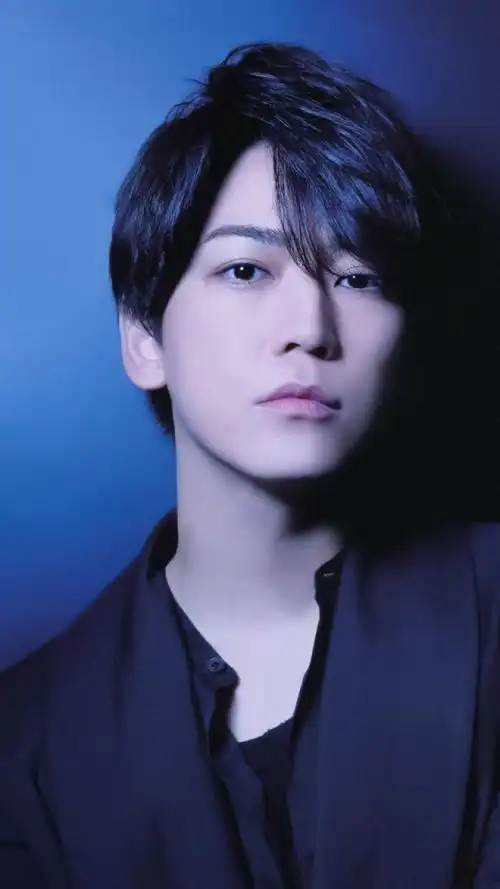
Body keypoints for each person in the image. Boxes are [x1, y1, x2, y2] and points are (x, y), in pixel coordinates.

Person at [0, 41, 499, 889]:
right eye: (245, 268)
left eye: (358, 278)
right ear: (144, 337)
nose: (310, 326)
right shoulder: (26, 747)